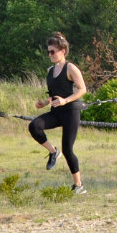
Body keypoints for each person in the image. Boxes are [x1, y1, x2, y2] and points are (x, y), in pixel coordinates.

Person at [28, 32, 88, 194]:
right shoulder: (50, 71)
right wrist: (44, 103)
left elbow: (82, 89)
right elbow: (53, 93)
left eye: (53, 51)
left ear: (63, 51)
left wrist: (65, 101)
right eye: (48, 52)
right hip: (56, 111)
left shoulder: (70, 68)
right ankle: (53, 152)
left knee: (68, 149)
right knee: (34, 126)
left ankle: (78, 185)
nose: (50, 55)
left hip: (70, 111)